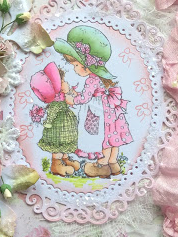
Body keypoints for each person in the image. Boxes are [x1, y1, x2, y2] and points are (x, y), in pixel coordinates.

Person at [54, 25, 133, 178]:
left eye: (76, 65)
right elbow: (90, 94)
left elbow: (85, 98)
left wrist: (72, 99)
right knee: (113, 138)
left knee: (103, 138)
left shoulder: (91, 79)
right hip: (111, 110)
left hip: (99, 112)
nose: (75, 69)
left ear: (85, 66)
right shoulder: (102, 79)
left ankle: (101, 165)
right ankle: (113, 163)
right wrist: (77, 94)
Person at [30, 62, 80, 176]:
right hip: (57, 127)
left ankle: (65, 159)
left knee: (65, 143)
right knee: (58, 144)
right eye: (63, 81)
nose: (65, 83)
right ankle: (56, 164)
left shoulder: (62, 97)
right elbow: (52, 112)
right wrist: (48, 122)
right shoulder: (56, 101)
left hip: (65, 127)